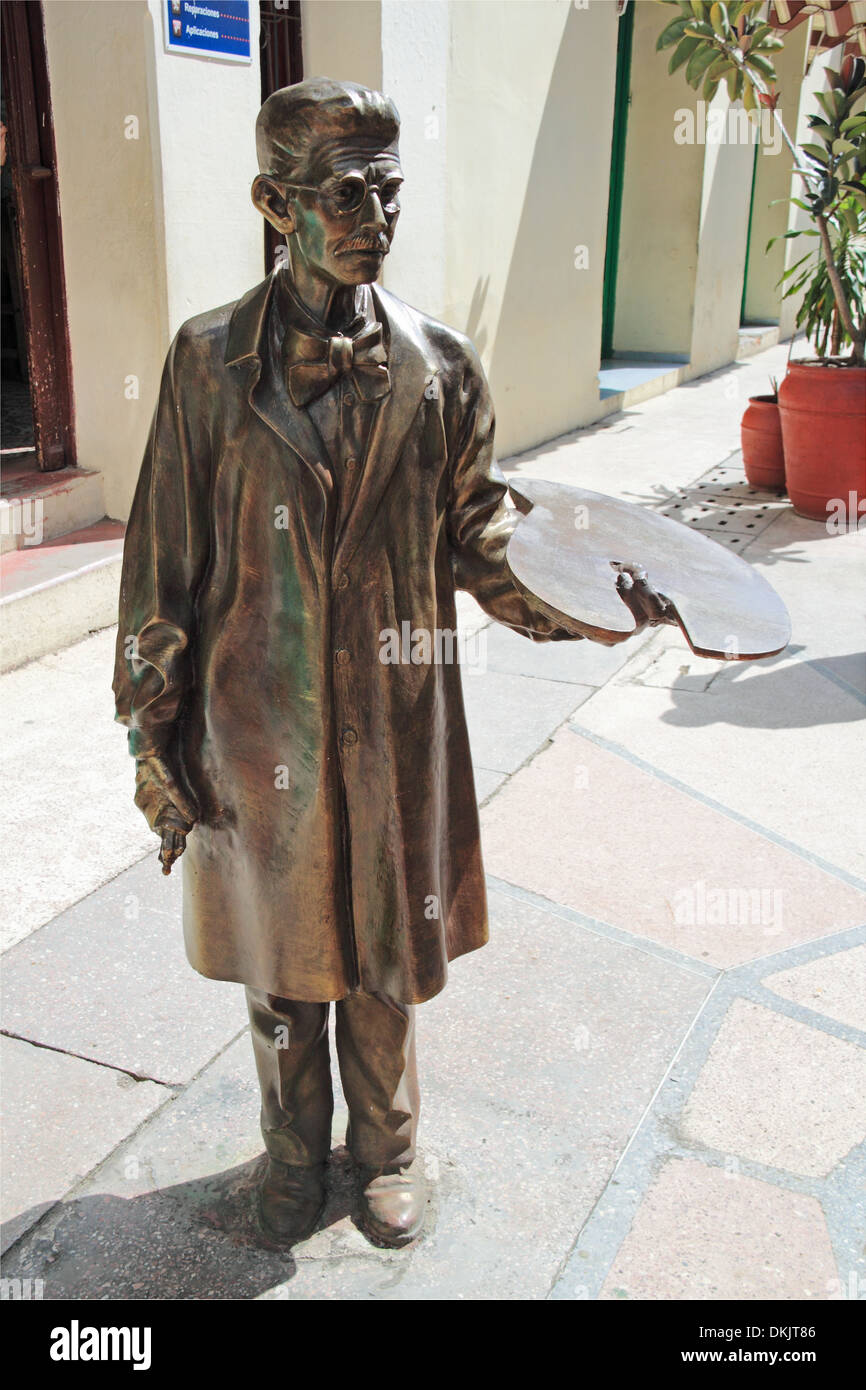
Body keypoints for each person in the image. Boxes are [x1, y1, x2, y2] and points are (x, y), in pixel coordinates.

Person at [113, 78, 654, 1249]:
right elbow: (161, 566)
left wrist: (588, 602)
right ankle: (292, 1151)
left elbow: (480, 539)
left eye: (389, 192)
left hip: (395, 716)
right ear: (275, 201)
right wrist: (150, 734)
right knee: (278, 958)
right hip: (252, 725)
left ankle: (387, 1148)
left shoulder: (440, 364)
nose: (376, 216)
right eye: (347, 193)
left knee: (381, 948)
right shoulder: (206, 363)